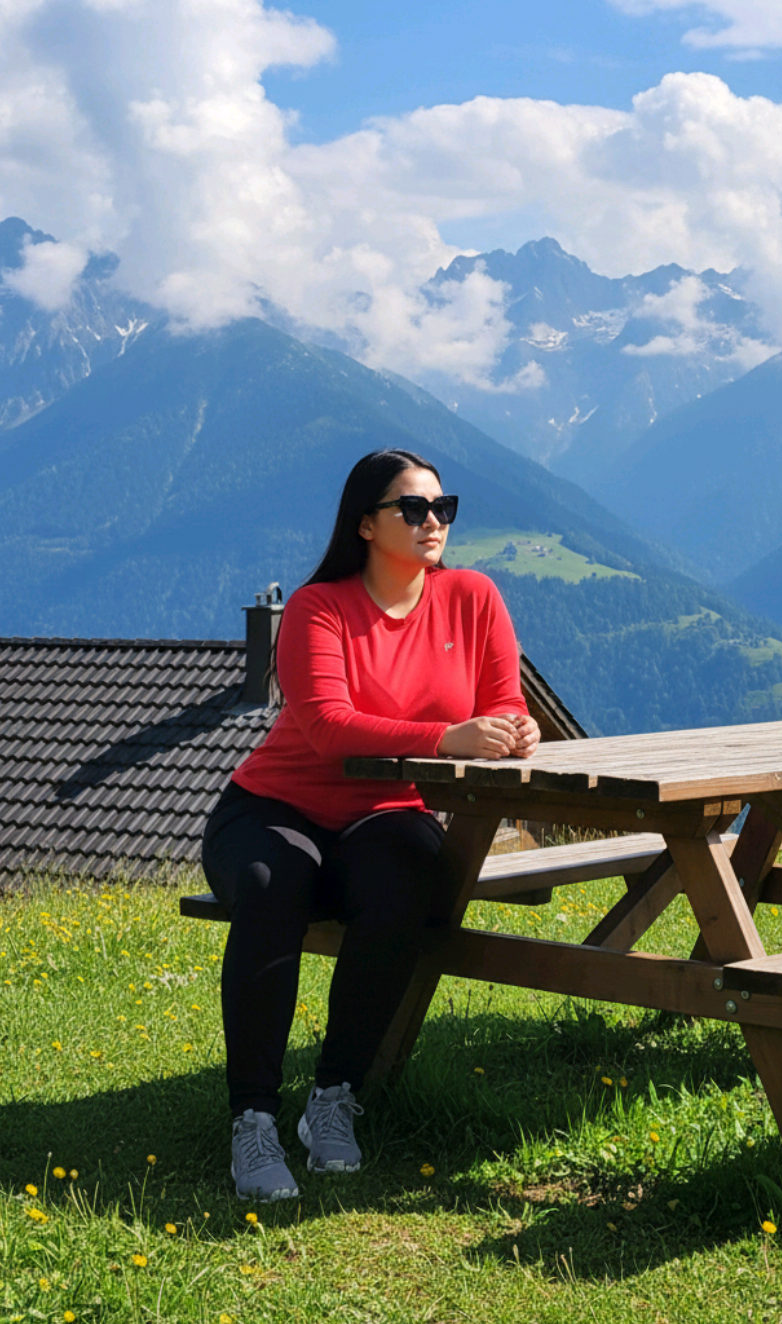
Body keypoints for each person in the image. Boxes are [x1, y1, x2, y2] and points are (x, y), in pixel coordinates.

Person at [201, 448, 541, 1201]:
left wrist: (514, 730)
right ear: (364, 524)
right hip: (274, 809)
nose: (432, 523)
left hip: (386, 814)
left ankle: (333, 1099)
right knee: (271, 884)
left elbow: (503, 699)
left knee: (411, 882)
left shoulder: (473, 597)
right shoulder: (319, 610)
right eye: (412, 510)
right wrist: (445, 738)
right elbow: (326, 726)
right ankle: (252, 1119)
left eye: (441, 509)